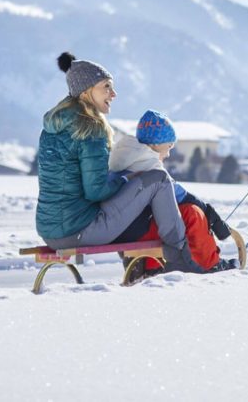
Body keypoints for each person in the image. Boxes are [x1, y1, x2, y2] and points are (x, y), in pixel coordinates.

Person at [35, 52, 205, 273]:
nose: (113, 93)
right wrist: (126, 178)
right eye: (106, 86)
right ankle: (180, 258)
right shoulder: (90, 127)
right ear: (86, 91)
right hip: (79, 231)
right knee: (158, 179)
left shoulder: (52, 127)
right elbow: (96, 192)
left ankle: (150, 263)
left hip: (49, 231)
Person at [108, 109, 238, 277]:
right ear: (155, 144)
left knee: (166, 217)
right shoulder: (147, 163)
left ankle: (152, 266)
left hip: (122, 229)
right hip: (136, 230)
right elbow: (178, 194)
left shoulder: (124, 156)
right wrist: (209, 213)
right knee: (191, 212)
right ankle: (210, 264)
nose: (169, 154)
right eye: (169, 146)